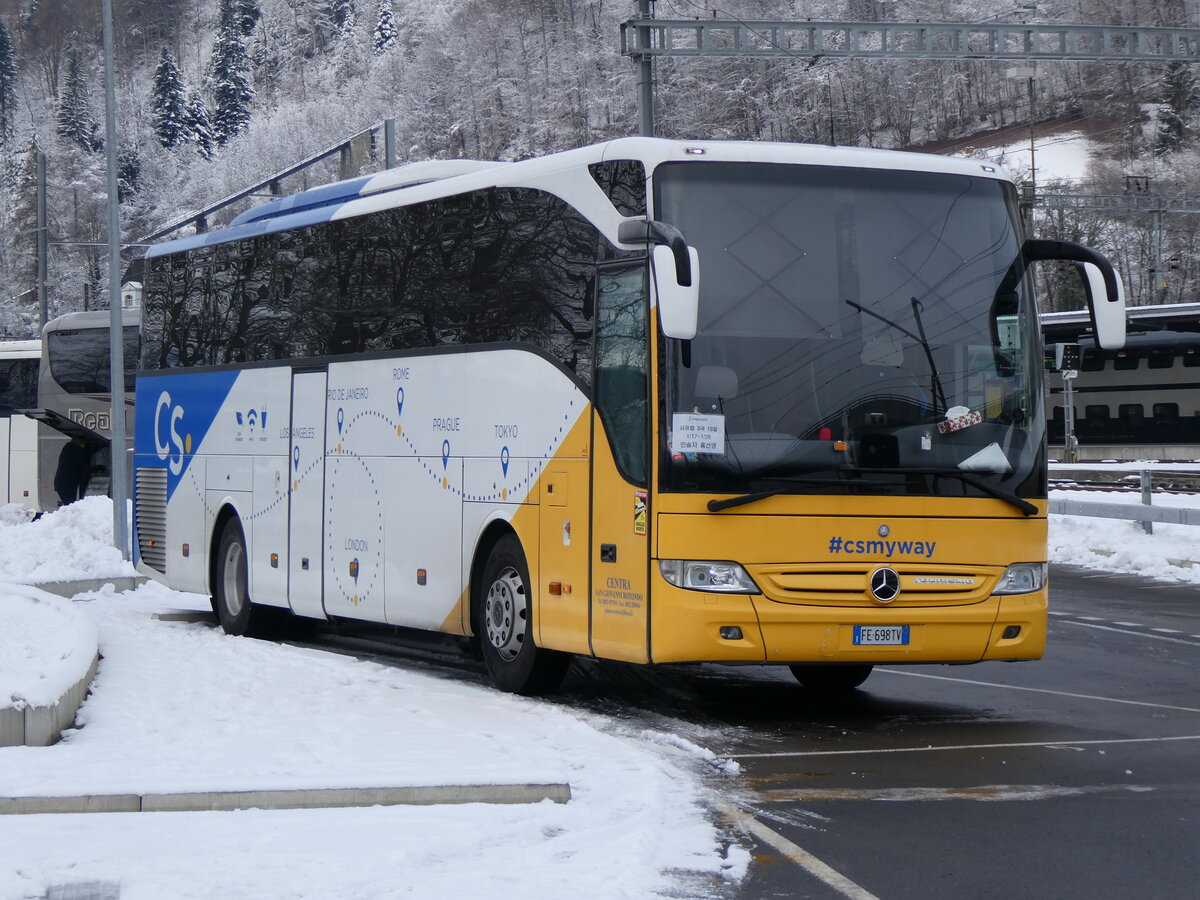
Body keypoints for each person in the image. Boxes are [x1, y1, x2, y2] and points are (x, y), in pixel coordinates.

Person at [54, 436, 92, 506]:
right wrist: (98, 468)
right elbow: (84, 467)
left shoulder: (68, 449)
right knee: (71, 506)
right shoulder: (76, 451)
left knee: (69, 505)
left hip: (62, 484)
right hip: (67, 485)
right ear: (81, 443)